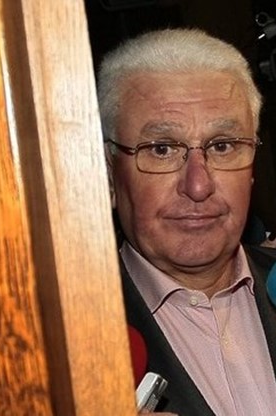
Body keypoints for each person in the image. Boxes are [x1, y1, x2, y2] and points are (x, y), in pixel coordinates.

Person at [97, 28, 276, 415]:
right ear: (109, 174)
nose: (198, 185)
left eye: (223, 145)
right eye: (161, 149)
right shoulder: (59, 342)